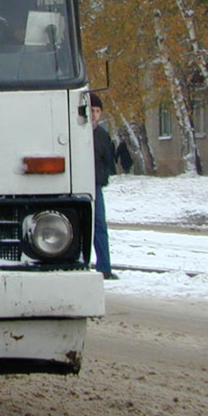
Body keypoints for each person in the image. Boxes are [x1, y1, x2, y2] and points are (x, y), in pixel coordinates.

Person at [91, 92, 119, 280]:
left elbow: (107, 161)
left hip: (95, 185)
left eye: (97, 111)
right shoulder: (72, 130)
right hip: (75, 186)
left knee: (100, 226)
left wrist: (104, 177)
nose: (94, 114)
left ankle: (104, 267)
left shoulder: (102, 135)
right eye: (91, 110)